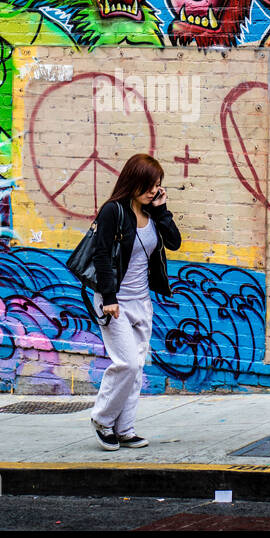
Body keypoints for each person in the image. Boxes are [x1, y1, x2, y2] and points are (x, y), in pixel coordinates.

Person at [87, 153, 182, 450]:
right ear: (134, 181)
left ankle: (125, 428)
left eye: (157, 185)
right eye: (149, 185)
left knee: (137, 367)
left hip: (142, 302)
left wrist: (162, 209)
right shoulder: (112, 212)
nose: (153, 190)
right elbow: (101, 255)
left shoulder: (152, 213)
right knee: (126, 363)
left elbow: (175, 241)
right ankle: (102, 419)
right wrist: (109, 298)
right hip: (114, 302)